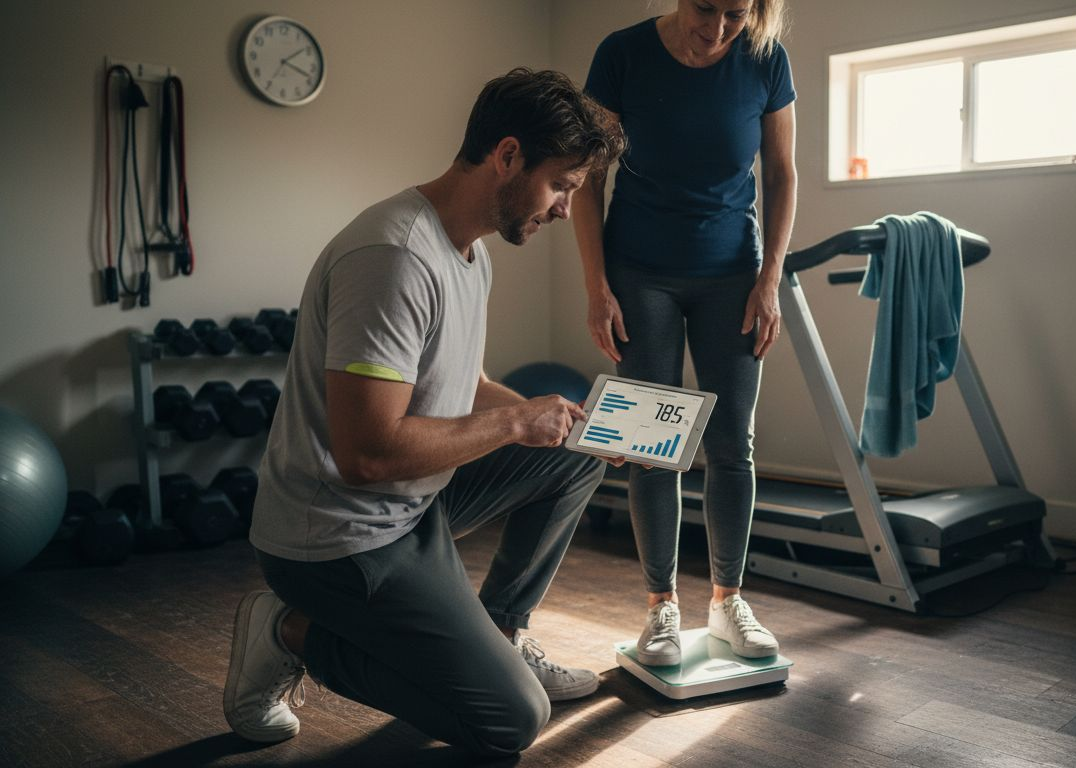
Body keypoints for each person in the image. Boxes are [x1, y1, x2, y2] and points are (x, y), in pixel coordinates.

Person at [222, 68, 625, 759]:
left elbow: (462, 384)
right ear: (507, 156)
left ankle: (499, 632)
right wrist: (517, 422)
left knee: (573, 447)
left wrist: (568, 422)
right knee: (508, 722)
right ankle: (289, 632)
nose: (564, 209)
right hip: (338, 539)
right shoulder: (395, 257)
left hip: (411, 510)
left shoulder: (470, 253)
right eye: (561, 184)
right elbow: (368, 454)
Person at [572, 0, 797, 667]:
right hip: (640, 274)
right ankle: (660, 607)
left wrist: (769, 280)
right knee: (653, 443)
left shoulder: (765, 58)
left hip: (734, 274)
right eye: (708, 8)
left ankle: (728, 601)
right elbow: (589, 179)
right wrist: (595, 286)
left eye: (738, 12)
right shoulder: (622, 54)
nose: (721, 27)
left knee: (734, 444)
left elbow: (782, 173)